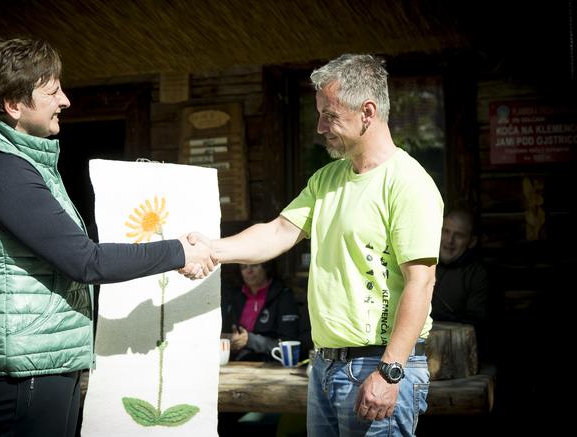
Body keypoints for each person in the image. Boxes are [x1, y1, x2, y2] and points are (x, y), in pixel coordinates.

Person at [0, 37, 213, 437]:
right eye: (52, 91)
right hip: (22, 364)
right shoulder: (0, 170)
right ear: (13, 105)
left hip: (37, 356)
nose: (65, 100)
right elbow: (84, 260)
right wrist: (179, 251)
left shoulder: (17, 164)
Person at [189, 53, 443, 436]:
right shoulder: (328, 179)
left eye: (330, 115)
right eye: (319, 113)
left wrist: (390, 372)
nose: (320, 126)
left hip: (377, 365)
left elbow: (421, 283)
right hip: (324, 366)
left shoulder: (409, 183)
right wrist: (213, 248)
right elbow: (278, 232)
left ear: (368, 112)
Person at [432, 209, 489, 353]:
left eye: (458, 235)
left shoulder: (479, 275)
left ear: (472, 241)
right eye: (446, 231)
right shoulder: (425, 265)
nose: (449, 240)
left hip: (460, 353)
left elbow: (477, 324)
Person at [221, 261, 300, 361]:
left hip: (270, 366)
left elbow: (290, 346)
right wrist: (229, 339)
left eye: (254, 265)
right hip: (236, 364)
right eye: (243, 267)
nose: (249, 271)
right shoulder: (235, 297)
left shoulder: (283, 297)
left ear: (266, 267)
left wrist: (250, 340)